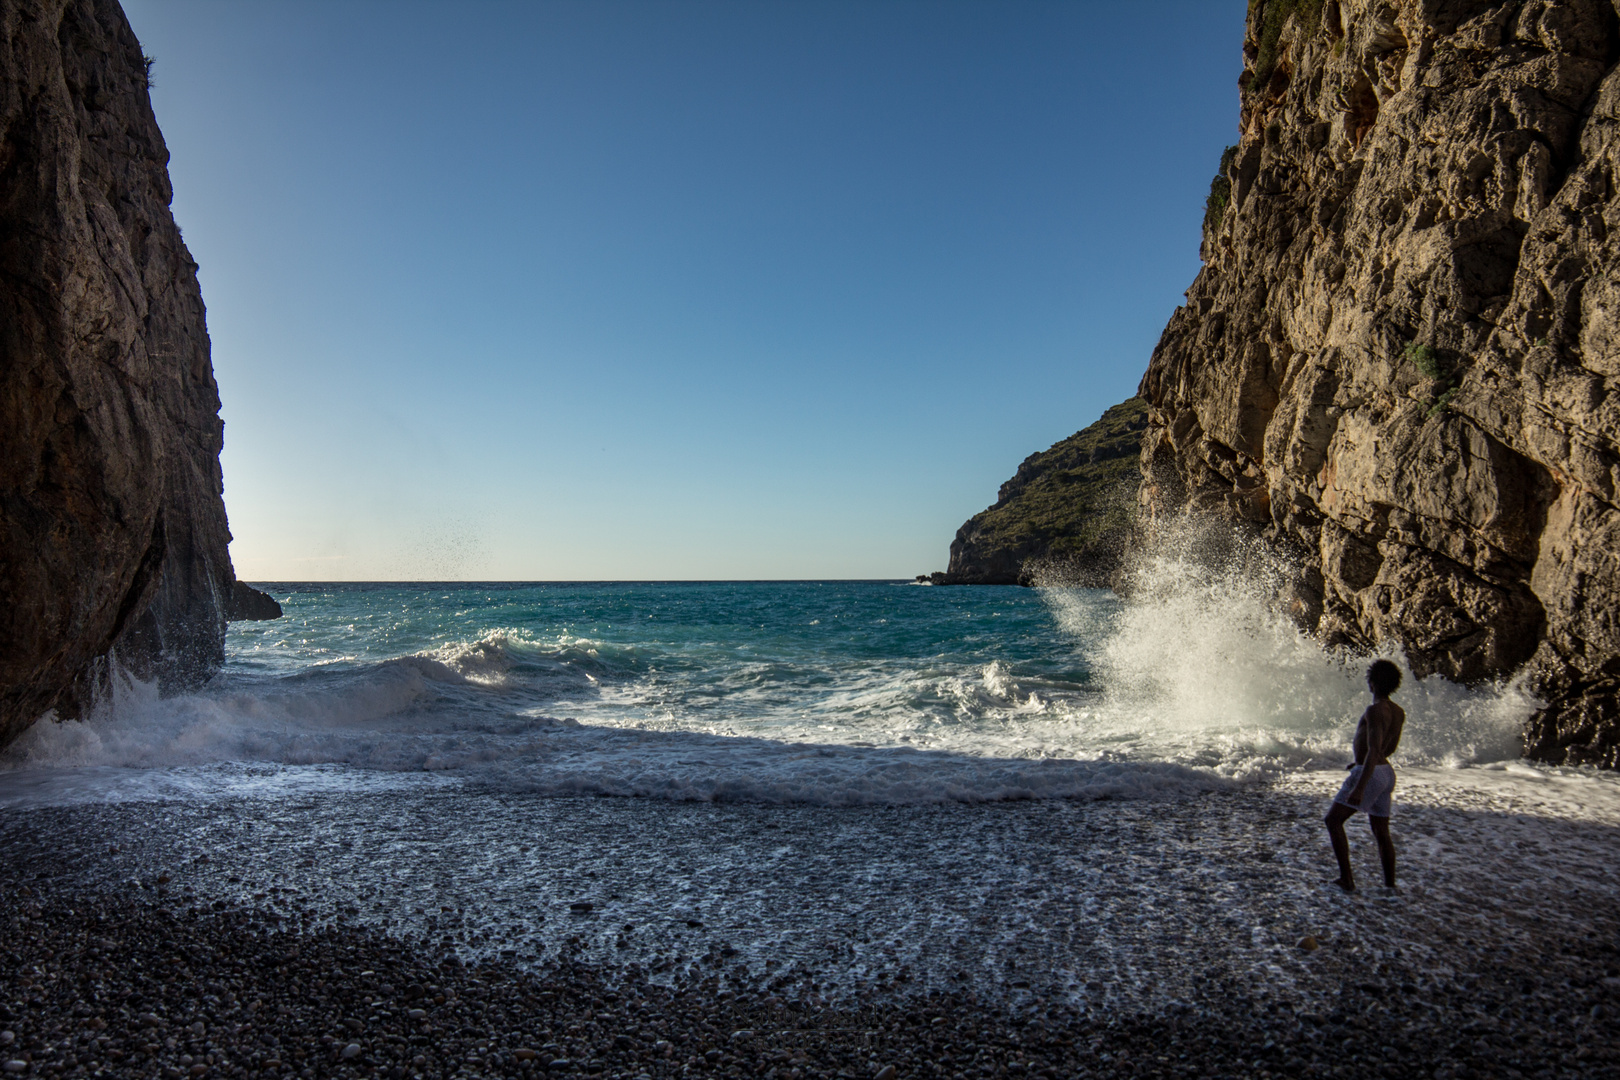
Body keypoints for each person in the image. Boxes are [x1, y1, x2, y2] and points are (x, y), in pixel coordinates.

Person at [1326, 659, 1405, 892]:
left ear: (1372, 684)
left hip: (1370, 773)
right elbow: (1388, 748)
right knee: (1381, 831)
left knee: (1332, 821)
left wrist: (1360, 785)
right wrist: (1362, 761)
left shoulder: (1374, 710)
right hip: (1386, 773)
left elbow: (1372, 749)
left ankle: (1346, 880)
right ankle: (1390, 885)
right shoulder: (1398, 712)